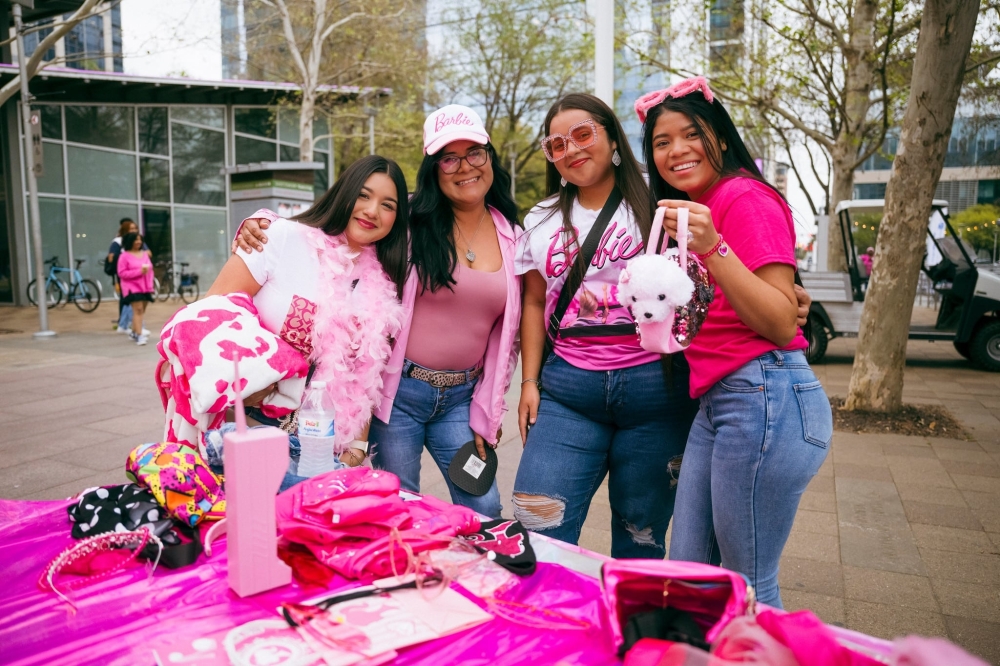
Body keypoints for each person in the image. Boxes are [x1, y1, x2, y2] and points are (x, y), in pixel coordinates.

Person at [235, 106, 522, 518]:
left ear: (490, 157)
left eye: (474, 153)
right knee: (399, 506)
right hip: (398, 394)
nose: (464, 167)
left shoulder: (514, 236)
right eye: (449, 158)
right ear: (434, 168)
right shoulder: (407, 221)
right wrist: (259, 222)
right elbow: (337, 227)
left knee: (485, 505)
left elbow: (511, 329)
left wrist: (489, 410)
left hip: (461, 398)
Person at [636, 76, 832, 606]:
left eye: (689, 134)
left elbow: (780, 323)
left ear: (718, 136)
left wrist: (713, 246)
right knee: (688, 575)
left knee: (747, 584)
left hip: (764, 394)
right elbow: (758, 301)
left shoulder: (741, 196)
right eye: (661, 142)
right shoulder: (692, 212)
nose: (676, 150)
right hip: (723, 400)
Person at [512, 93, 699, 558]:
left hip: (657, 392)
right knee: (536, 525)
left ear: (611, 136)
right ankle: (549, 625)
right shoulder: (540, 219)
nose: (571, 150)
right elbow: (534, 303)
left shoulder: (663, 203)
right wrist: (529, 381)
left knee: (641, 536)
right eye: (557, 144)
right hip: (568, 393)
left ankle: (630, 627)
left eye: (582, 134)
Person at [208, 155, 410, 477]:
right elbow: (210, 315)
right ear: (344, 193)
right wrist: (249, 377)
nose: (372, 211)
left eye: (388, 205)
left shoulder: (383, 284)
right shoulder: (279, 237)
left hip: (324, 452)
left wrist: (356, 449)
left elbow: (366, 374)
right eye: (363, 195)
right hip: (252, 429)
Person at [107, 218, 150, 336]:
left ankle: (126, 325)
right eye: (131, 229)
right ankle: (134, 328)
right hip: (127, 278)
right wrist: (126, 262)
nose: (134, 231)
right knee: (133, 304)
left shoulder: (137, 241)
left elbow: (148, 254)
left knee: (134, 304)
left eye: (135, 228)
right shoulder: (119, 242)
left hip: (140, 279)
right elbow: (111, 257)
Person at [116, 231, 155, 346]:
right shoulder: (124, 256)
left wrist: (150, 283)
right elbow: (121, 273)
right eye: (136, 239)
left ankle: (134, 331)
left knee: (141, 310)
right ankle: (139, 335)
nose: (138, 242)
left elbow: (150, 269)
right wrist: (139, 272)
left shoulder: (144, 254)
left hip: (145, 287)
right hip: (132, 288)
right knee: (138, 309)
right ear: (130, 241)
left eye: (140, 239)